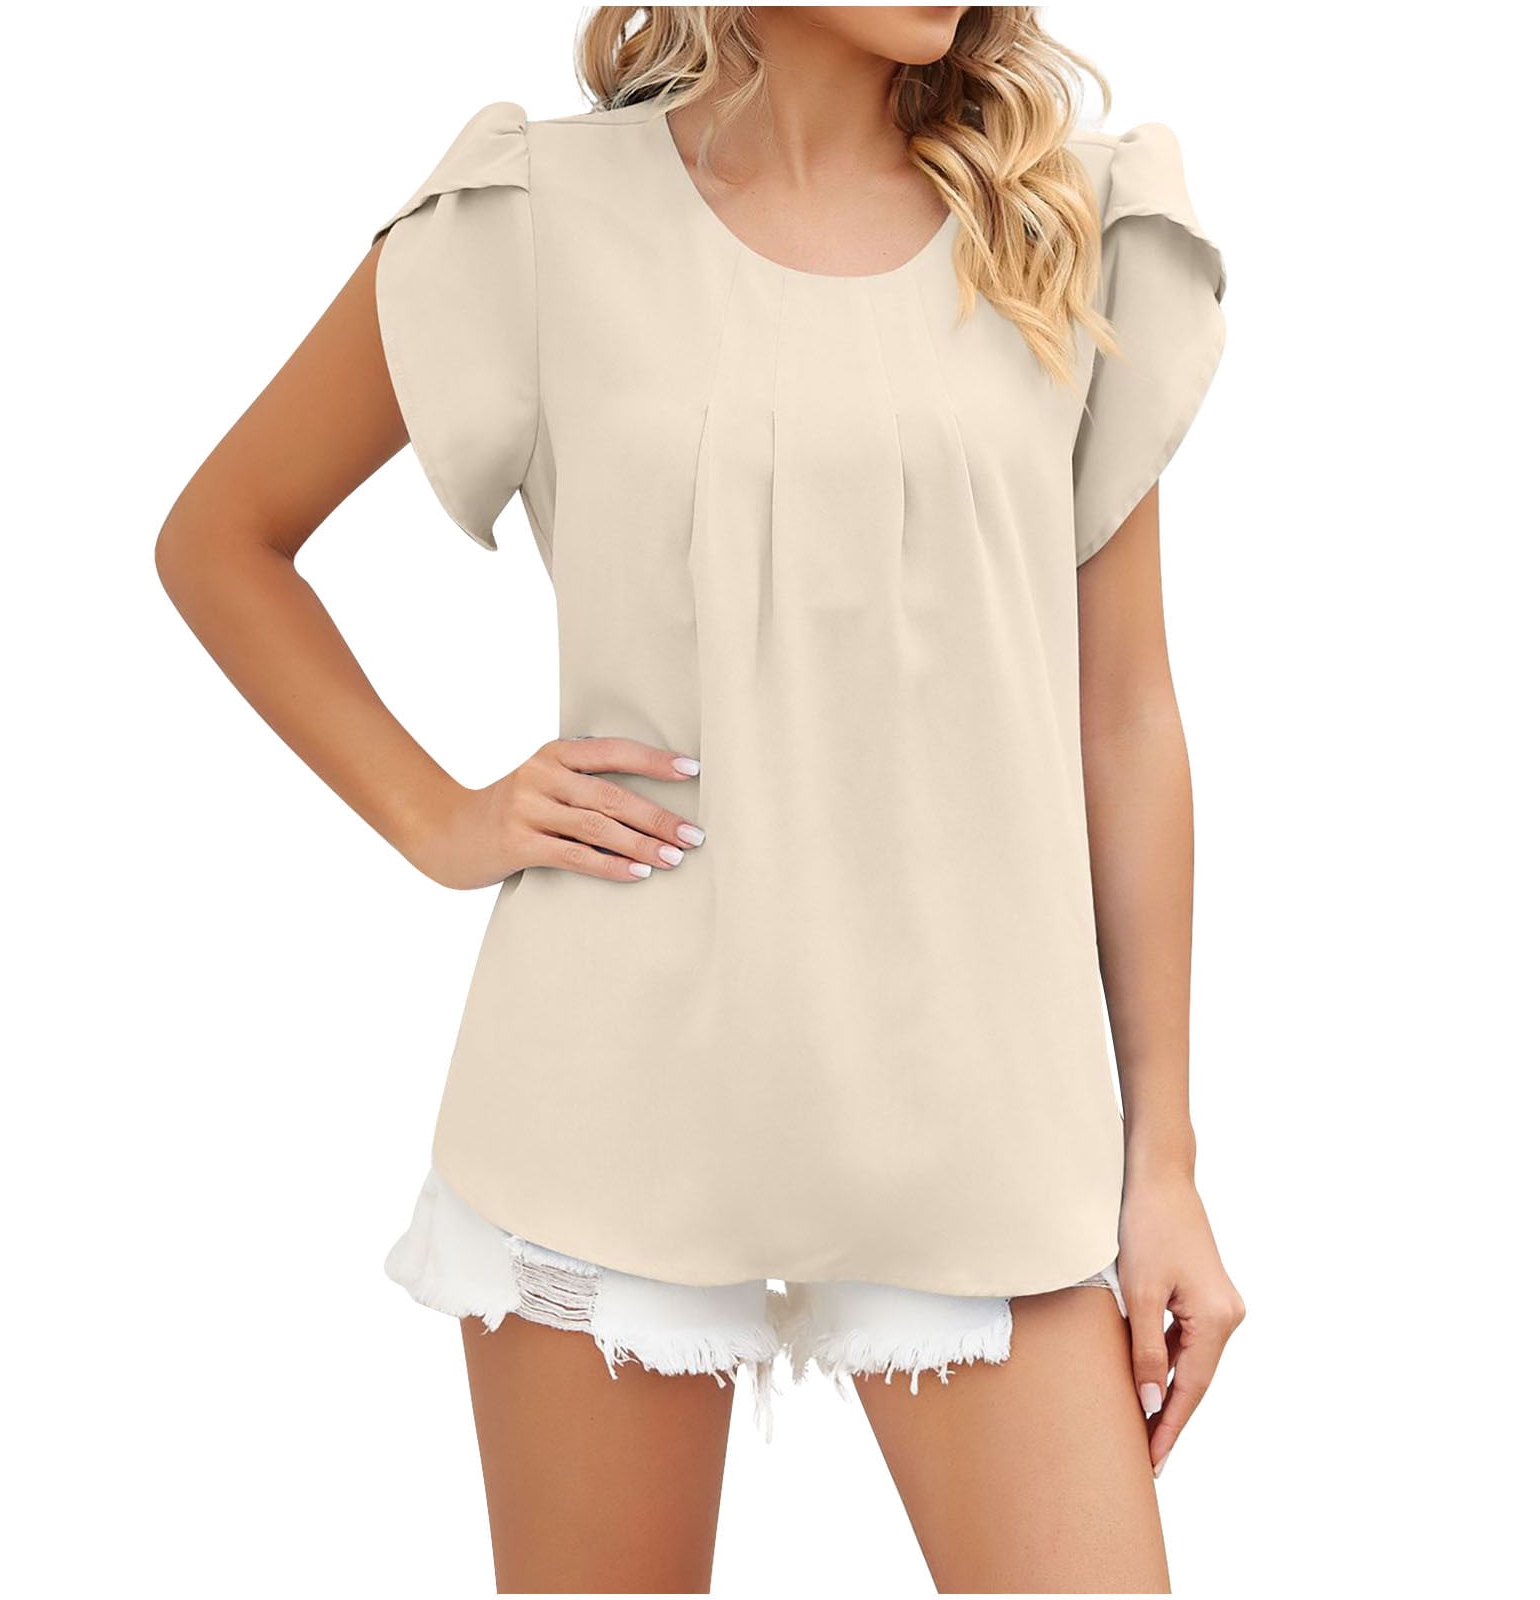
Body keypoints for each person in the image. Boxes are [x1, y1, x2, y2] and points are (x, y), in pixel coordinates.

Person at [155, 6, 1246, 1592]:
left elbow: (1126, 720)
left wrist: (1166, 1164)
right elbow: (222, 539)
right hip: (609, 1109)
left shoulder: (1065, 224)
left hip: (982, 1133)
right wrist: (441, 818)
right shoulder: (535, 222)